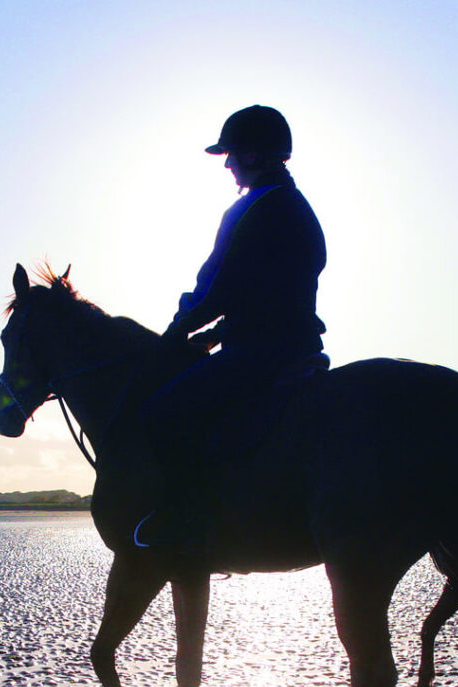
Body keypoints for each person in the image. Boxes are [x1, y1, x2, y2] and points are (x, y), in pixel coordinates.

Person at [136, 105, 329, 553]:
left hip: (261, 351)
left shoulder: (250, 209)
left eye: (233, 153)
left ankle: (181, 519)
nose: (227, 163)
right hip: (297, 343)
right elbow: (268, 289)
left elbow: (213, 288)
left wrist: (174, 332)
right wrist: (218, 333)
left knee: (158, 414)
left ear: (257, 155)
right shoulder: (299, 207)